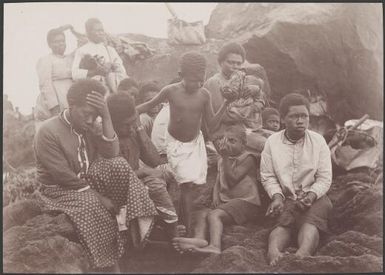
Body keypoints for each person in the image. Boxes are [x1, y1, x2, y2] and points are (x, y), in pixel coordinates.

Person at [35, 79, 157, 272]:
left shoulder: (90, 126)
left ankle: (135, 230)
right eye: (87, 114)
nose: (91, 119)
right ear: (72, 106)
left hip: (86, 180)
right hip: (59, 189)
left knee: (119, 165)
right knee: (92, 205)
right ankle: (108, 264)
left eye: (95, 114)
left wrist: (106, 117)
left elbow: (112, 153)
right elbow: (62, 175)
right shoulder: (48, 131)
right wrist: (99, 196)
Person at [136, 52, 236, 235]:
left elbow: (212, 124)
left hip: (194, 143)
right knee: (185, 186)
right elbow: (148, 105)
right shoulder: (171, 91)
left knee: (189, 187)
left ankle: (184, 224)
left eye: (200, 80)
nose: (197, 84)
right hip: (175, 143)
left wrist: (226, 103)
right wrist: (127, 112)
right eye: (193, 80)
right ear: (181, 75)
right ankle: (184, 228)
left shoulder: (204, 95)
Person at [260, 93, 332, 266]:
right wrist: (277, 197)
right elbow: (268, 176)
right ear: (283, 119)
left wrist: (311, 196)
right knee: (283, 223)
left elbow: (324, 178)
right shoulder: (272, 142)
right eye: (294, 116)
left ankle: (302, 254)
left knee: (310, 222)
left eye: (304, 116)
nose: (300, 121)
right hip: (285, 198)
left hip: (315, 197)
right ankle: (273, 252)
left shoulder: (318, 141)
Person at [172, 125, 266, 254]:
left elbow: (233, 179)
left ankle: (215, 246)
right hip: (228, 202)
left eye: (232, 141)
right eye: (225, 140)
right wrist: (216, 196)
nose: (227, 144)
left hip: (247, 203)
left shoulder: (248, 158)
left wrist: (225, 157)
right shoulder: (222, 159)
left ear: (244, 144)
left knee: (214, 214)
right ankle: (199, 239)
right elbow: (218, 180)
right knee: (202, 213)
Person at [107, 92, 181, 240]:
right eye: (125, 125)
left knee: (173, 175)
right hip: (117, 185)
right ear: (112, 122)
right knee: (155, 185)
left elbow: (155, 160)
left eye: (132, 122)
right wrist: (146, 172)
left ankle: (170, 222)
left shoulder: (132, 132)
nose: (130, 128)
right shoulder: (108, 140)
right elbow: (116, 175)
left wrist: (139, 130)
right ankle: (172, 235)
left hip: (136, 178)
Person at [72, 18, 127, 94]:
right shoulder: (82, 50)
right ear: (89, 32)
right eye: (98, 30)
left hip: (112, 88)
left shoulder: (110, 50)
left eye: (102, 30)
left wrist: (111, 66)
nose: (101, 33)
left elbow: (122, 70)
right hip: (93, 90)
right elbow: (75, 74)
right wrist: (94, 72)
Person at [35, 25, 76, 124]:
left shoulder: (71, 58)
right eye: (56, 41)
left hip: (71, 100)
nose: (60, 44)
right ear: (49, 44)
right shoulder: (45, 60)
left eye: (62, 40)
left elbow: (85, 40)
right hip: (57, 103)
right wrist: (54, 107)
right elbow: (45, 84)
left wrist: (72, 29)